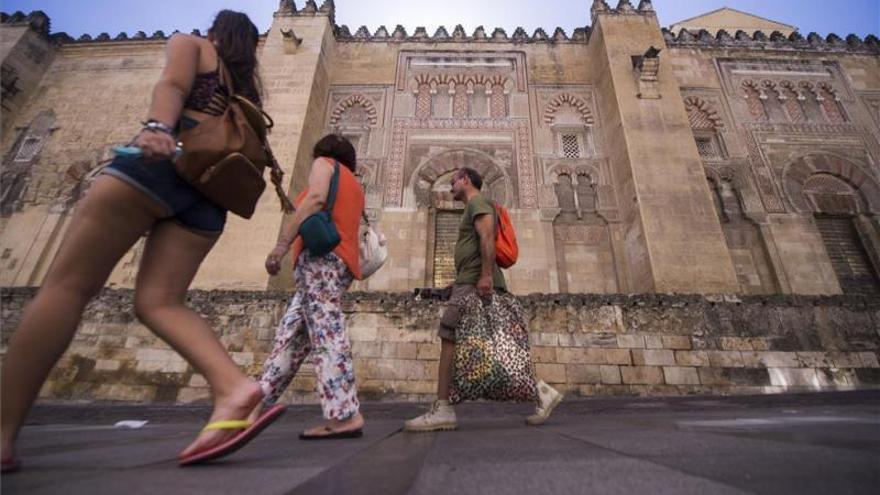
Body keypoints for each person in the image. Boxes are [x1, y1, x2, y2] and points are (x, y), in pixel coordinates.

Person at [0, 10, 285, 472]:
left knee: (65, 288)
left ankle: (2, 434)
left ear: (216, 32)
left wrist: (157, 127)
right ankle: (233, 386)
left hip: (159, 168)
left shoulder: (193, 45)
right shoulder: (248, 89)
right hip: (207, 200)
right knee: (161, 302)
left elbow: (171, 86)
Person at [404, 167, 563, 432]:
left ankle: (443, 409)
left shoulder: (478, 203)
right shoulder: (473, 206)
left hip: (477, 284)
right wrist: (459, 281)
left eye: (453, 181)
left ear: (466, 180)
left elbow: (487, 237)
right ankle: (542, 392)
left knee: (449, 336)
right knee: (497, 343)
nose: (450, 186)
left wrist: (485, 276)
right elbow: (476, 248)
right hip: (470, 282)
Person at [259, 134, 366, 439]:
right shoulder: (355, 185)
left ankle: (344, 414)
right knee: (291, 335)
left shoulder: (325, 163)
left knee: (327, 332)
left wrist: (282, 244)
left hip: (320, 260)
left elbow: (315, 199)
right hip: (340, 264)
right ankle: (255, 403)